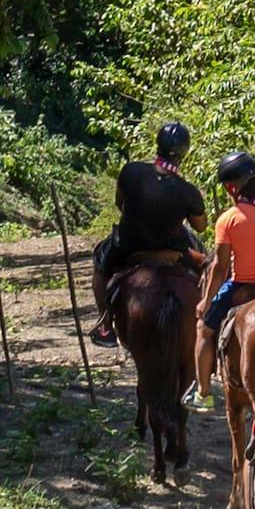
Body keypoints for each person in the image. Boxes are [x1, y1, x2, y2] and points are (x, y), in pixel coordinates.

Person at [93, 120, 203, 343]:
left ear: (158, 144)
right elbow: (200, 226)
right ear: (184, 153)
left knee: (101, 263)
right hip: (175, 250)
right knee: (205, 270)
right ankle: (206, 322)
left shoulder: (131, 171)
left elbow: (119, 203)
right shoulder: (188, 190)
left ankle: (105, 322)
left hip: (128, 244)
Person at [202, 149, 255, 339]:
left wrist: (206, 302)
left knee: (204, 331)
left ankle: (204, 370)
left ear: (232, 188)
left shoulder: (228, 219)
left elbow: (220, 266)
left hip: (241, 287)